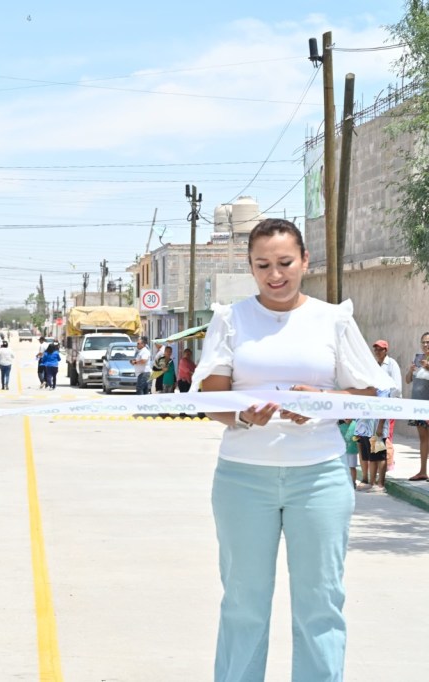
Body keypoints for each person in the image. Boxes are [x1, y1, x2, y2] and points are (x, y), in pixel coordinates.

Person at [193, 219, 388, 681]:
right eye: (262, 265)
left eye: (284, 262)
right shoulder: (231, 319)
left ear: (304, 261)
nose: (275, 274)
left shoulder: (333, 319)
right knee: (243, 602)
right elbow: (209, 397)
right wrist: (243, 416)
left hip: (319, 477)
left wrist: (322, 401)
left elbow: (368, 394)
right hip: (243, 479)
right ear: (250, 267)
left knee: (321, 602)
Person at [371, 340, 401, 474]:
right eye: (376, 349)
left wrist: (387, 402)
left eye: (380, 349)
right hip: (377, 406)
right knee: (377, 435)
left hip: (389, 406)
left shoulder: (392, 364)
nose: (378, 352)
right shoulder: (374, 365)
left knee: (386, 435)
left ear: (386, 350)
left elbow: (397, 387)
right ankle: (379, 463)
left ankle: (388, 462)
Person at [405, 331, 429, 482]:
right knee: (423, 439)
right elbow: (408, 380)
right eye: (423, 342)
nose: (425, 345)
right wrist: (410, 370)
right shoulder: (419, 359)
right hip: (417, 406)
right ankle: (422, 471)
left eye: (428, 342)